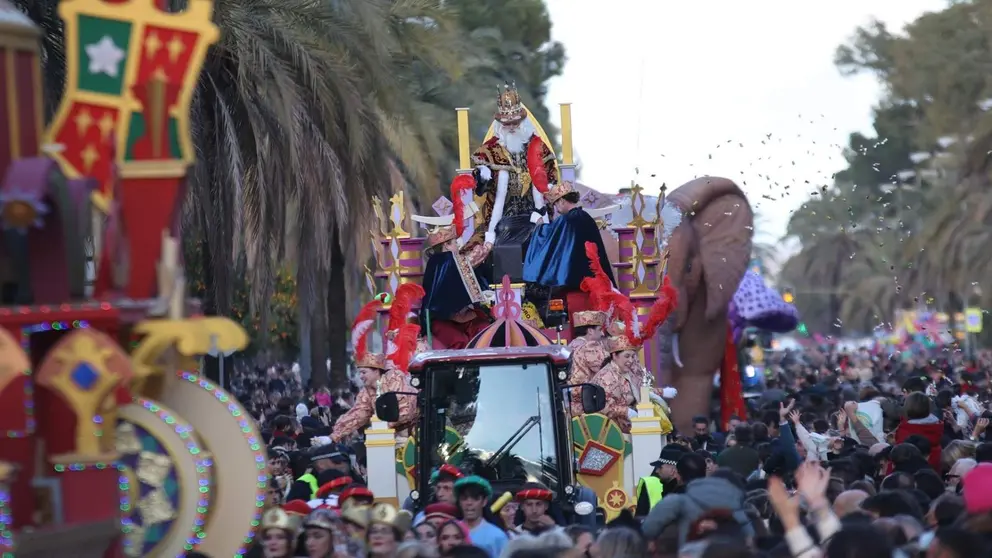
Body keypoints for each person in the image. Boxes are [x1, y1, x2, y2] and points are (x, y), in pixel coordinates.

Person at [468, 83, 558, 251]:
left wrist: (548, 188)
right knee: (503, 236)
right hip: (503, 216)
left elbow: (551, 175)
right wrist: (483, 176)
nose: (510, 128)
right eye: (506, 124)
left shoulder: (537, 147)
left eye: (515, 124)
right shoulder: (491, 149)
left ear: (523, 123)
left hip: (534, 212)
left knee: (539, 235)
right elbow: (480, 189)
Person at [413, 185, 492, 350]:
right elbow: (473, 258)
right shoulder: (441, 262)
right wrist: (488, 243)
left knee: (485, 331)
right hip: (442, 319)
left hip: (466, 316)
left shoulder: (451, 260)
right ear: (446, 246)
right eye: (453, 242)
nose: (456, 245)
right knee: (459, 342)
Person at [330, 297, 417, 442]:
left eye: (364, 372)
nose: (361, 377)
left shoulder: (395, 378)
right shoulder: (366, 392)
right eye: (360, 373)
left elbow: (405, 410)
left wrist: (382, 426)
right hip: (388, 437)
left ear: (377, 370)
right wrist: (333, 436)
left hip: (414, 436)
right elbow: (358, 414)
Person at [522, 186, 616, 319]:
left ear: (561, 201)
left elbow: (547, 237)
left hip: (573, 285)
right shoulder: (585, 217)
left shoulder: (566, 220)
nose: (556, 209)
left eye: (555, 204)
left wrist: (539, 224)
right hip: (594, 283)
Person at [453, 475, 508, 558]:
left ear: (484, 501)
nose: (469, 503)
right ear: (459, 502)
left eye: (475, 498)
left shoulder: (497, 536)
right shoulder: (450, 532)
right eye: (464, 498)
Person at [566, 310, 610, 415]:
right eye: (599, 329)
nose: (602, 333)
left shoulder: (570, 346)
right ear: (590, 331)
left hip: (570, 405)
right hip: (587, 406)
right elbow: (611, 368)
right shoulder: (590, 347)